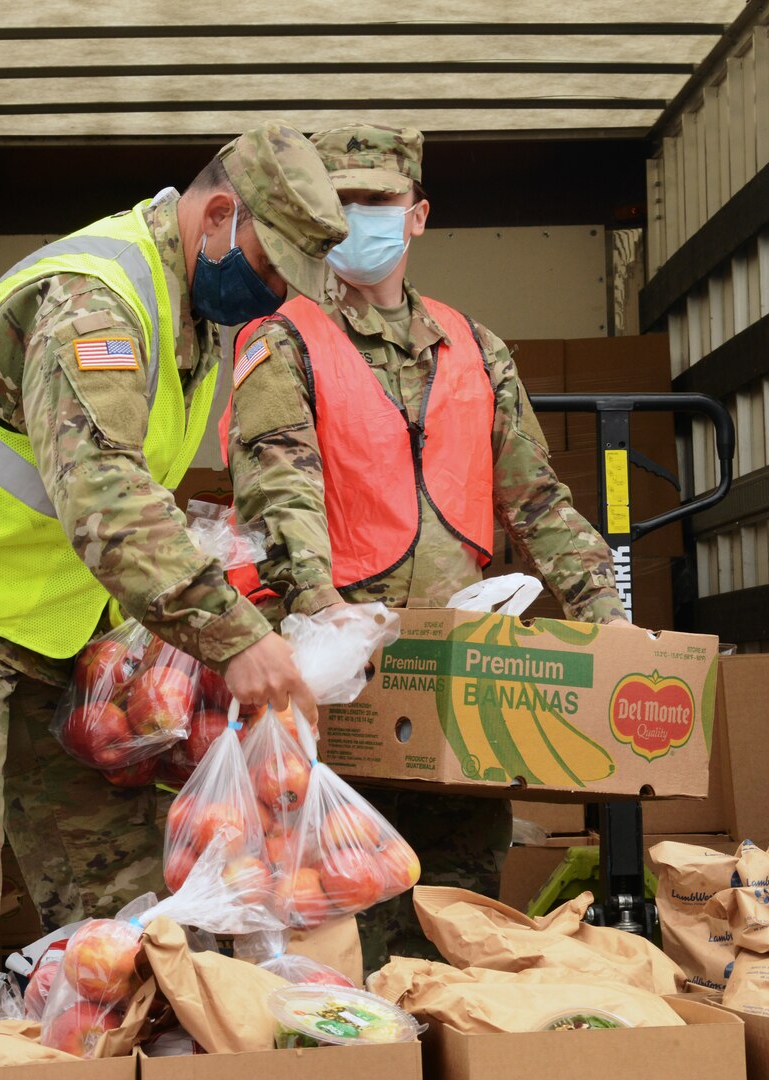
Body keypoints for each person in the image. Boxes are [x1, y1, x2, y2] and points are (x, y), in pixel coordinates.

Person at [0, 122, 347, 1029]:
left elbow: (140, 494)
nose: (271, 298)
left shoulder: (198, 318)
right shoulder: (97, 297)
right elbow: (104, 496)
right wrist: (236, 640)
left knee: (128, 902)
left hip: (43, 631)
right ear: (218, 214)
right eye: (269, 271)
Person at [222, 123, 625, 967]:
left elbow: (538, 498)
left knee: (459, 900)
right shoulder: (280, 338)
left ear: (418, 216)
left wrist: (608, 615)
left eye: (382, 200)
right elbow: (279, 491)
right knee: (338, 904)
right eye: (345, 203)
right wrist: (325, 619)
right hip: (341, 672)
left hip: (458, 673)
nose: (364, 218)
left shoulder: (474, 346)